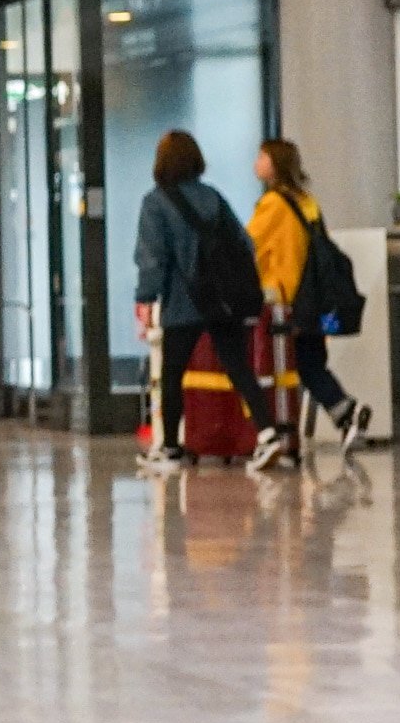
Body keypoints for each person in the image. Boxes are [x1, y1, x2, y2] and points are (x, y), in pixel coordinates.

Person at [134, 128, 287, 471]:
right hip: (223, 301)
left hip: (183, 301)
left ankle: (170, 448)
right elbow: (245, 244)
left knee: (172, 374)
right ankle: (268, 434)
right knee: (239, 368)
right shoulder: (213, 198)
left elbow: (152, 257)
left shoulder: (155, 203)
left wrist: (145, 299)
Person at [250, 137, 373, 454]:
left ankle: (344, 410)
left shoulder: (273, 204)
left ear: (275, 163)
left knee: (300, 366)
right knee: (312, 362)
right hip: (316, 299)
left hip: (288, 300)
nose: (256, 162)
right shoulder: (307, 201)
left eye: (262, 157)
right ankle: (345, 415)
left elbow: (251, 246)